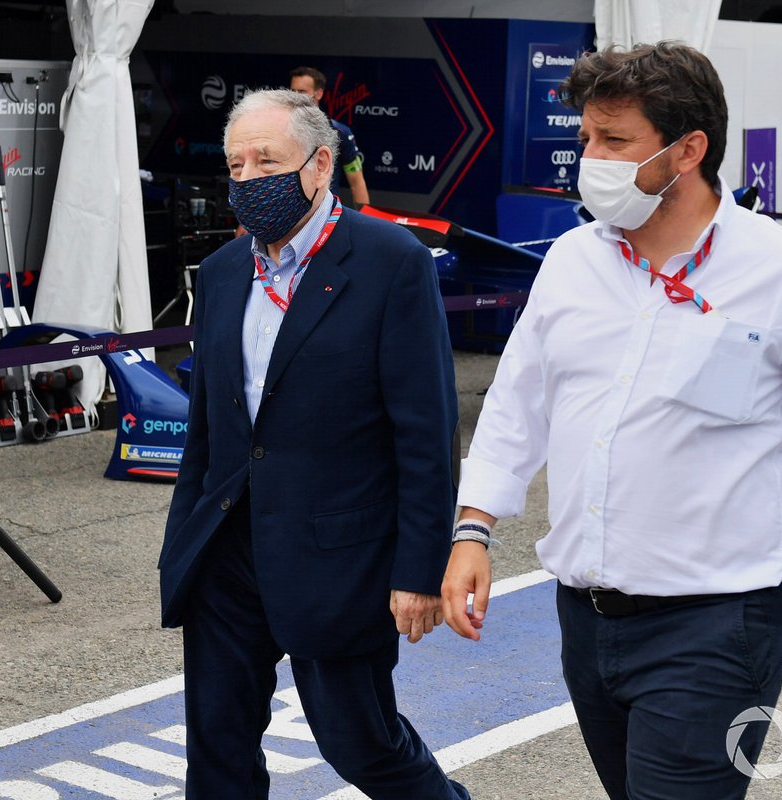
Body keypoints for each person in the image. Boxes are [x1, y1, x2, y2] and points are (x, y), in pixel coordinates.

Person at [440, 42, 782, 800]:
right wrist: (473, 531)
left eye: (615, 141)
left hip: (717, 629)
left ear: (688, 149)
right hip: (583, 619)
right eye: (586, 138)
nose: (591, 159)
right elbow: (518, 404)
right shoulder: (572, 259)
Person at [159, 88, 467, 799]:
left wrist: (418, 569)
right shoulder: (225, 272)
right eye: (236, 166)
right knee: (218, 747)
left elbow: (425, 433)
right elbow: (208, 427)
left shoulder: (391, 262)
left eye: (266, 161)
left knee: (362, 743)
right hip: (227, 554)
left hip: (338, 556)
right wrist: (184, 547)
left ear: (321, 164)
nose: (248, 180)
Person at [289, 66, 371, 207]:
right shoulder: (279, 130)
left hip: (326, 214)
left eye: (302, 92)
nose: (295, 97)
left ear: (318, 94)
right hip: (287, 213)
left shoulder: (340, 132)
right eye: (292, 91)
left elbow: (357, 182)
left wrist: (365, 222)